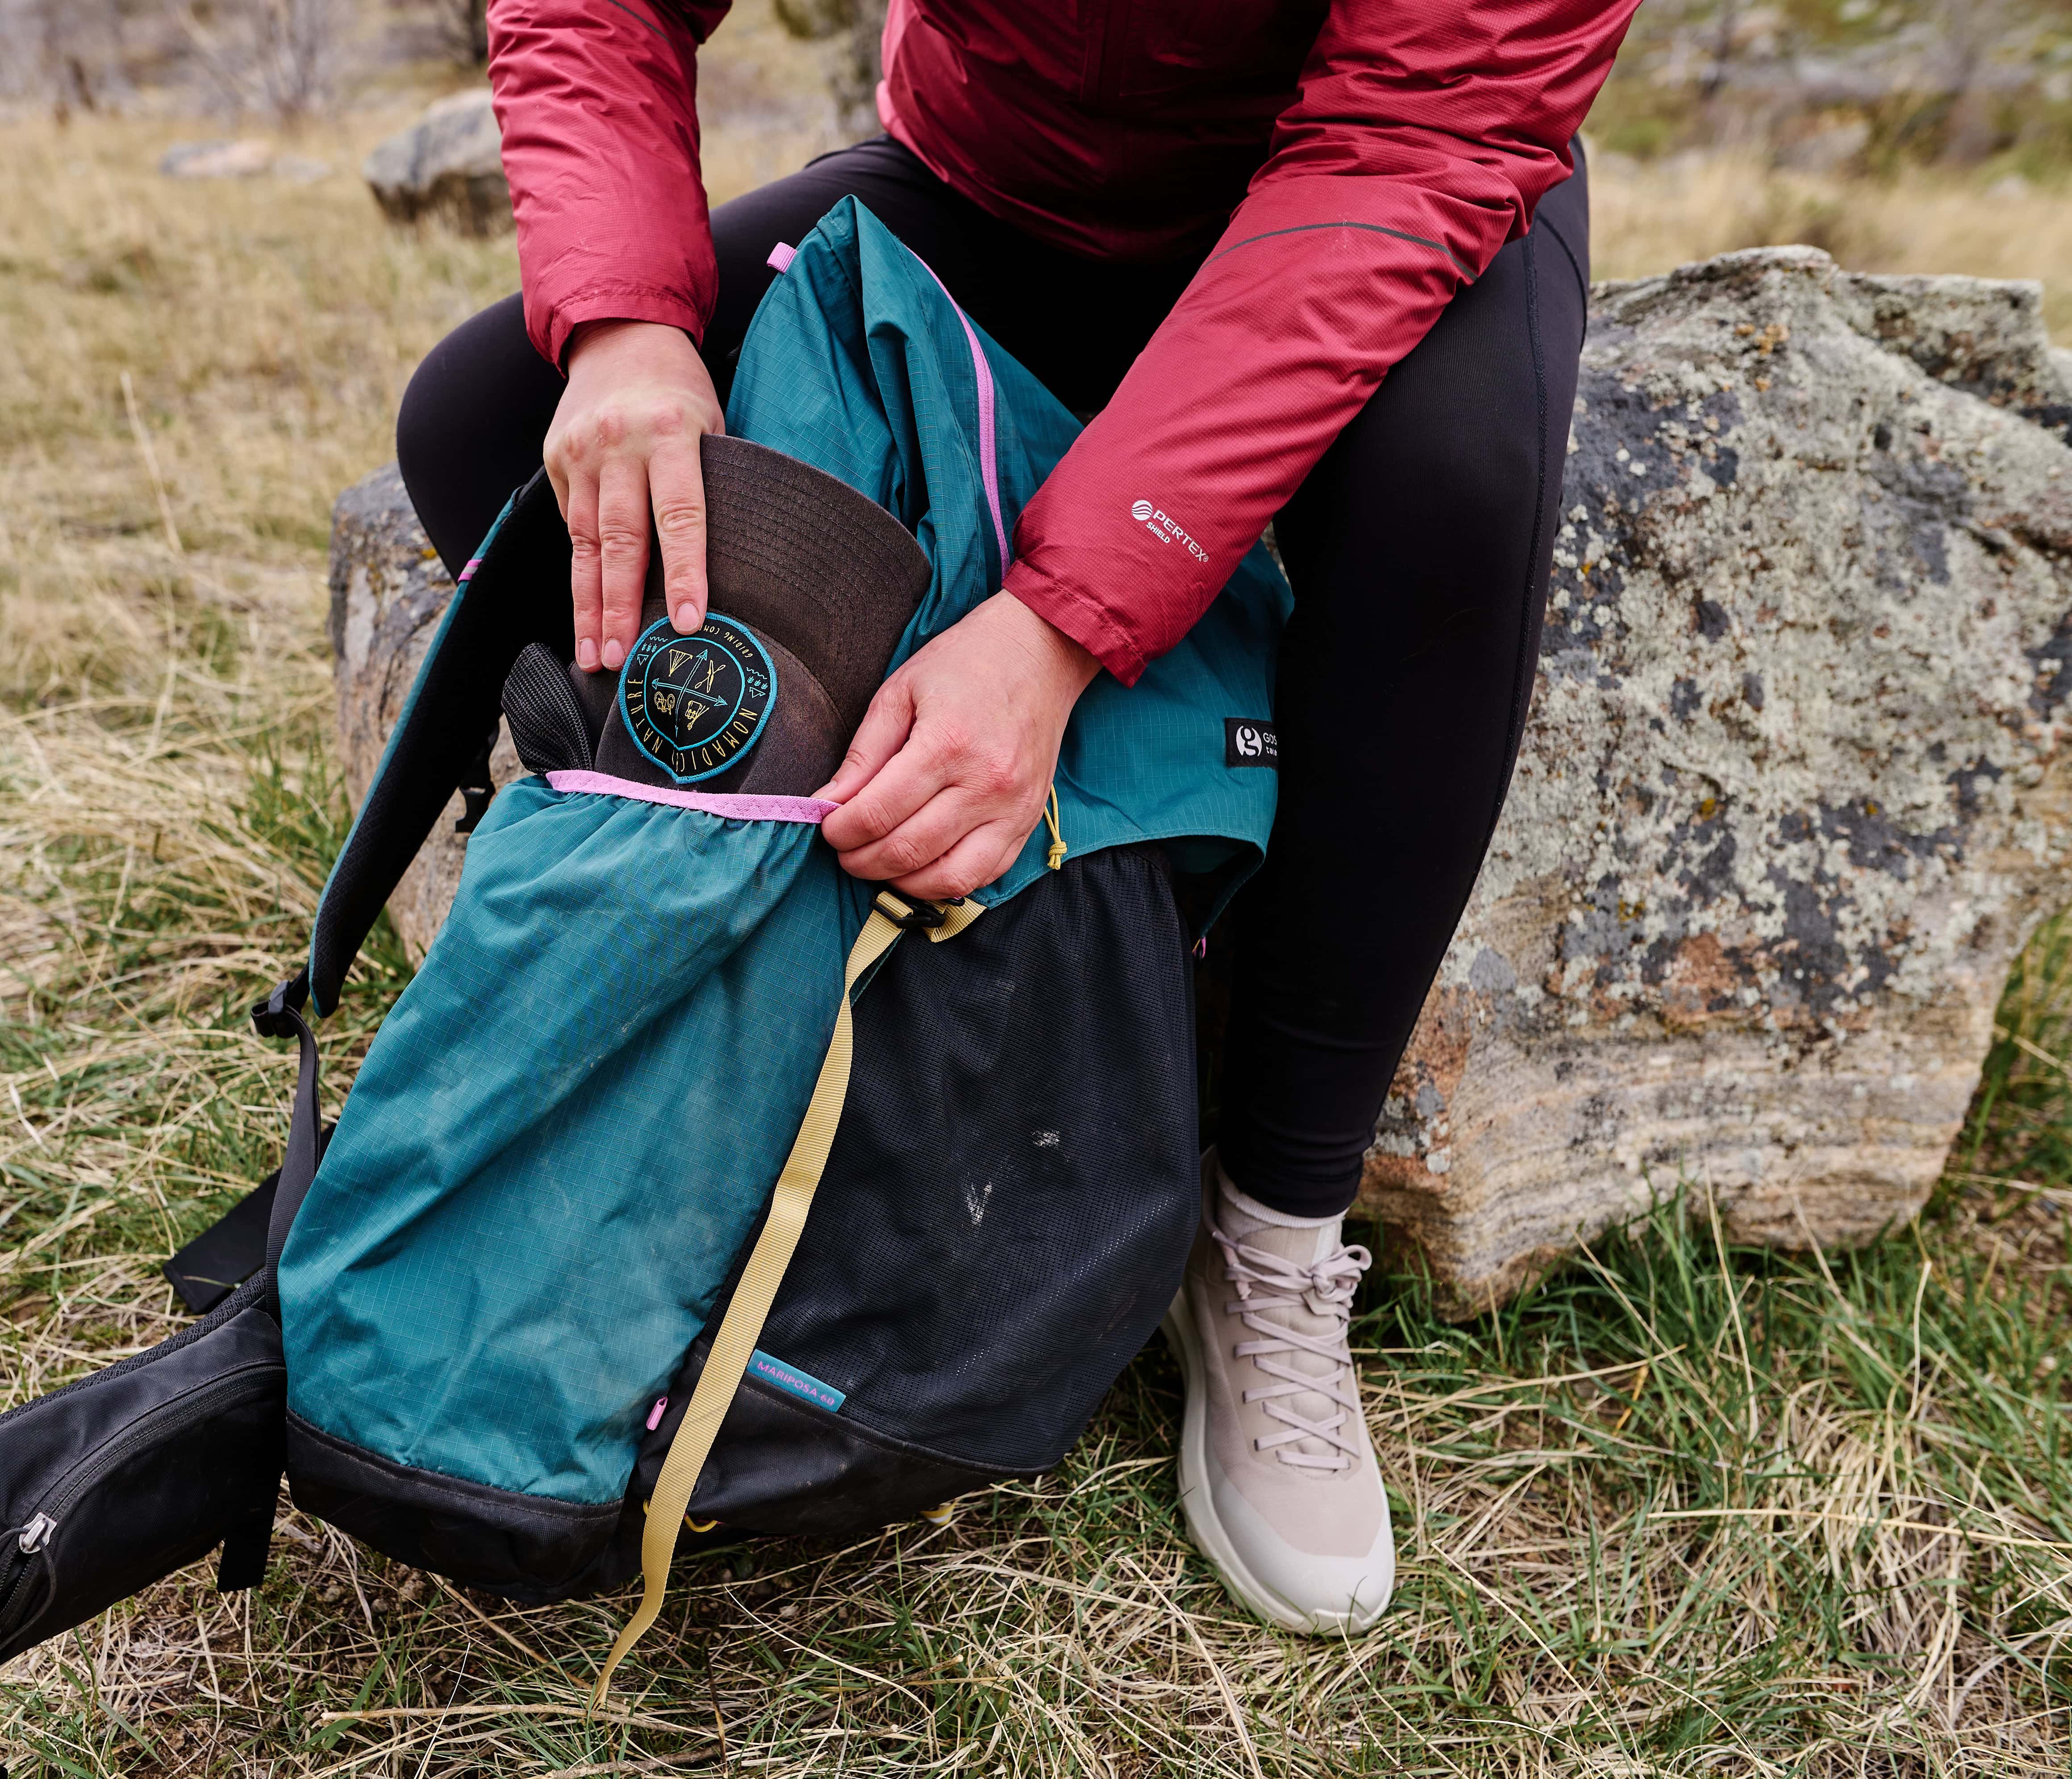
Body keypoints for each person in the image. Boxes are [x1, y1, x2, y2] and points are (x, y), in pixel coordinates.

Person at [393, 0, 1631, 1634]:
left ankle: (1266, 1227)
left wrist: (1060, 628)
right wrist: (623, 320)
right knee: (486, 418)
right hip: (1003, 185)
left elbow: (1429, 128)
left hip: (1364, 201)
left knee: (1455, 500)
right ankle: (772, 1044)